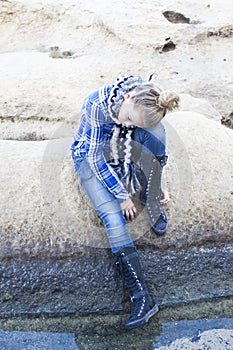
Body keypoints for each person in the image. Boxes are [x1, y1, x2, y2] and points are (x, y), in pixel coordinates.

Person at [71, 75, 180, 330]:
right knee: (112, 217)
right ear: (128, 97)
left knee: (156, 133)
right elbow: (96, 159)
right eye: (129, 118)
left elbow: (143, 138)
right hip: (92, 156)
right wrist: (120, 196)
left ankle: (150, 196)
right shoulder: (96, 106)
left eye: (132, 123)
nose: (127, 122)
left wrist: (155, 180)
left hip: (123, 149)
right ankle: (142, 296)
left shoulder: (149, 99)